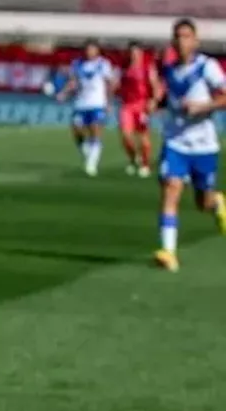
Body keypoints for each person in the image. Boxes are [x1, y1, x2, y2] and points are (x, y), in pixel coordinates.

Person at [152, 18, 226, 272]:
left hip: (204, 145)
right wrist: (157, 104)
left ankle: (217, 203)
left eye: (186, 36)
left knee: (202, 203)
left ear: (195, 41)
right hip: (176, 142)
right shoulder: (169, 69)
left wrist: (203, 106)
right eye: (177, 36)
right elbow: (168, 98)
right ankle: (168, 252)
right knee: (171, 189)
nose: (181, 41)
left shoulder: (208, 67)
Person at [57, 39, 115, 177]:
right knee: (76, 129)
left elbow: (109, 83)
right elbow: (73, 81)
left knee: (95, 130)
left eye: (92, 49)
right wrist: (64, 93)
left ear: (97, 50)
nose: (89, 52)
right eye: (87, 49)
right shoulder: (77, 64)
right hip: (81, 103)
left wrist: (108, 102)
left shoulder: (103, 64)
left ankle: (92, 163)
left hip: (97, 103)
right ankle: (86, 151)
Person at [117, 41, 157, 178]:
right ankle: (134, 158)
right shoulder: (125, 67)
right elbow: (120, 85)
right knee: (125, 135)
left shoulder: (147, 67)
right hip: (127, 106)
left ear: (141, 53)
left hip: (141, 105)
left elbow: (155, 85)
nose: (134, 55)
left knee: (143, 137)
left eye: (136, 52)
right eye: (132, 52)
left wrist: (153, 101)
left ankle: (145, 164)